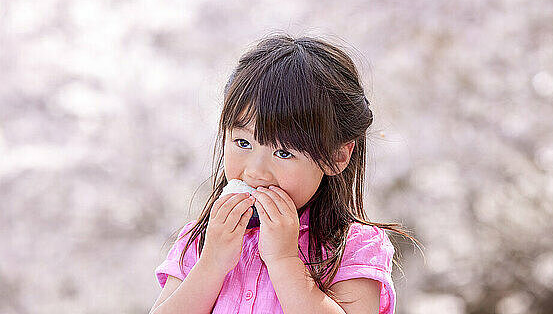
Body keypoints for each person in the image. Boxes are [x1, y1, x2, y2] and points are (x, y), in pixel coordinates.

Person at [150, 34, 420, 314]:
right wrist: (212, 263)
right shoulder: (202, 239)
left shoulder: (354, 246)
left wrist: (284, 260)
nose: (255, 171)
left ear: (338, 156)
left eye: (284, 153)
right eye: (243, 143)